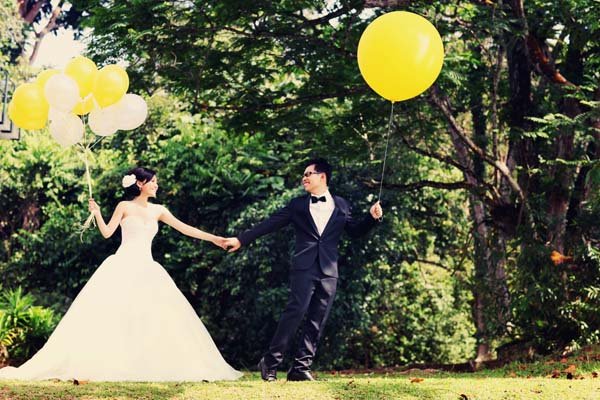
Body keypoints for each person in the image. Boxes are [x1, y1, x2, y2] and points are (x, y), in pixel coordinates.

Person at [0, 167, 242, 382]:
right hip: (122, 264)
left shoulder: (159, 210)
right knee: (113, 314)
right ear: (140, 184)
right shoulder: (124, 206)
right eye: (153, 181)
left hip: (148, 267)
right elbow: (107, 233)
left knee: (152, 316)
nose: (156, 185)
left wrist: (215, 239)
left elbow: (185, 229)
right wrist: (96, 212)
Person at [224, 158, 382, 381]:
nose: (304, 178)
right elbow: (270, 223)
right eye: (304, 174)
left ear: (322, 177)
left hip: (329, 270)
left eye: (308, 174)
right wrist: (241, 239)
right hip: (304, 268)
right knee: (295, 313)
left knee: (318, 318)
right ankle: (270, 362)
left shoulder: (342, 205)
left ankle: (300, 367)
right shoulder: (297, 205)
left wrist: (371, 218)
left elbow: (355, 232)